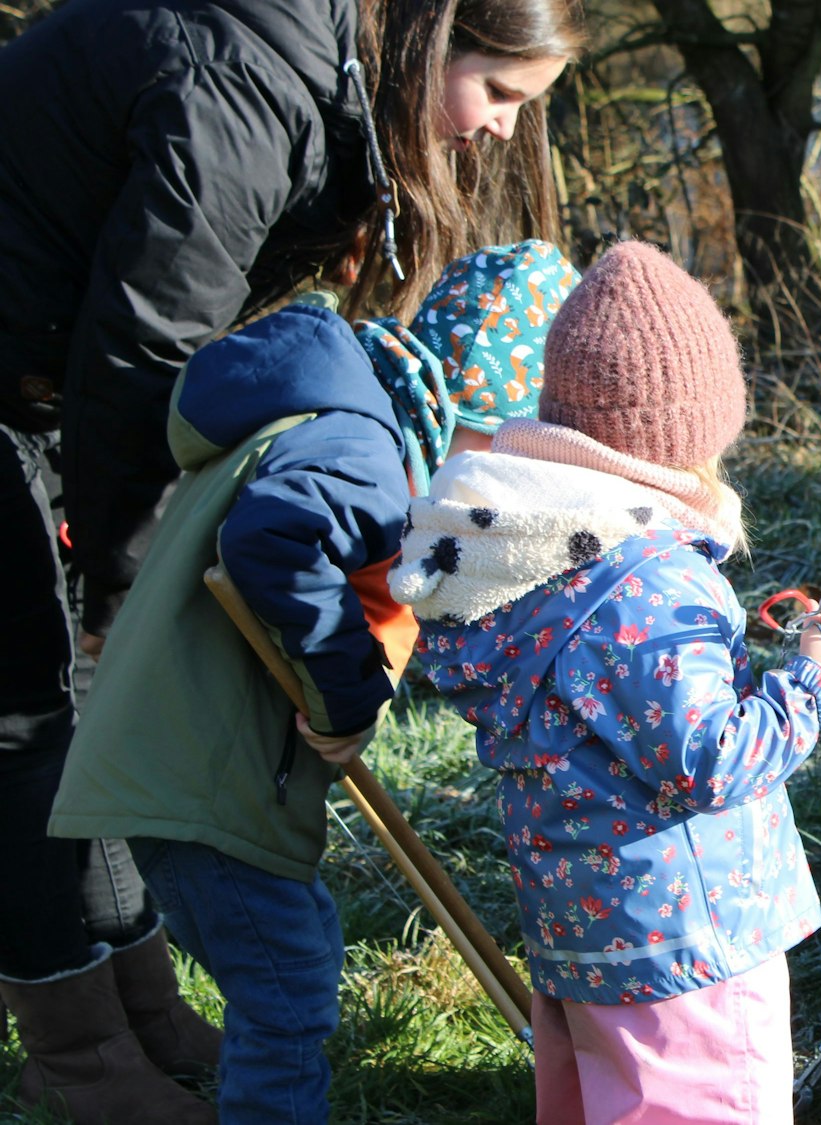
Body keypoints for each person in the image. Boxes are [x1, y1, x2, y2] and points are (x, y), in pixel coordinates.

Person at [0, 1, 583, 1117]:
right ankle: (80, 1056)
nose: (506, 132)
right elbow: (144, 339)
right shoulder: (251, 88)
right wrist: (117, 580)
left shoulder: (316, 84)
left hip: (42, 386)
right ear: (430, 42)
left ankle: (145, 1009)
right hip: (27, 385)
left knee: (72, 715)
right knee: (25, 720)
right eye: (500, 93)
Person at [394, 241, 821, 1125]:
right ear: (685, 434)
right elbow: (710, 760)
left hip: (583, 931)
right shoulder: (646, 577)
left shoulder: (524, 555)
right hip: (689, 941)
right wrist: (814, 674)